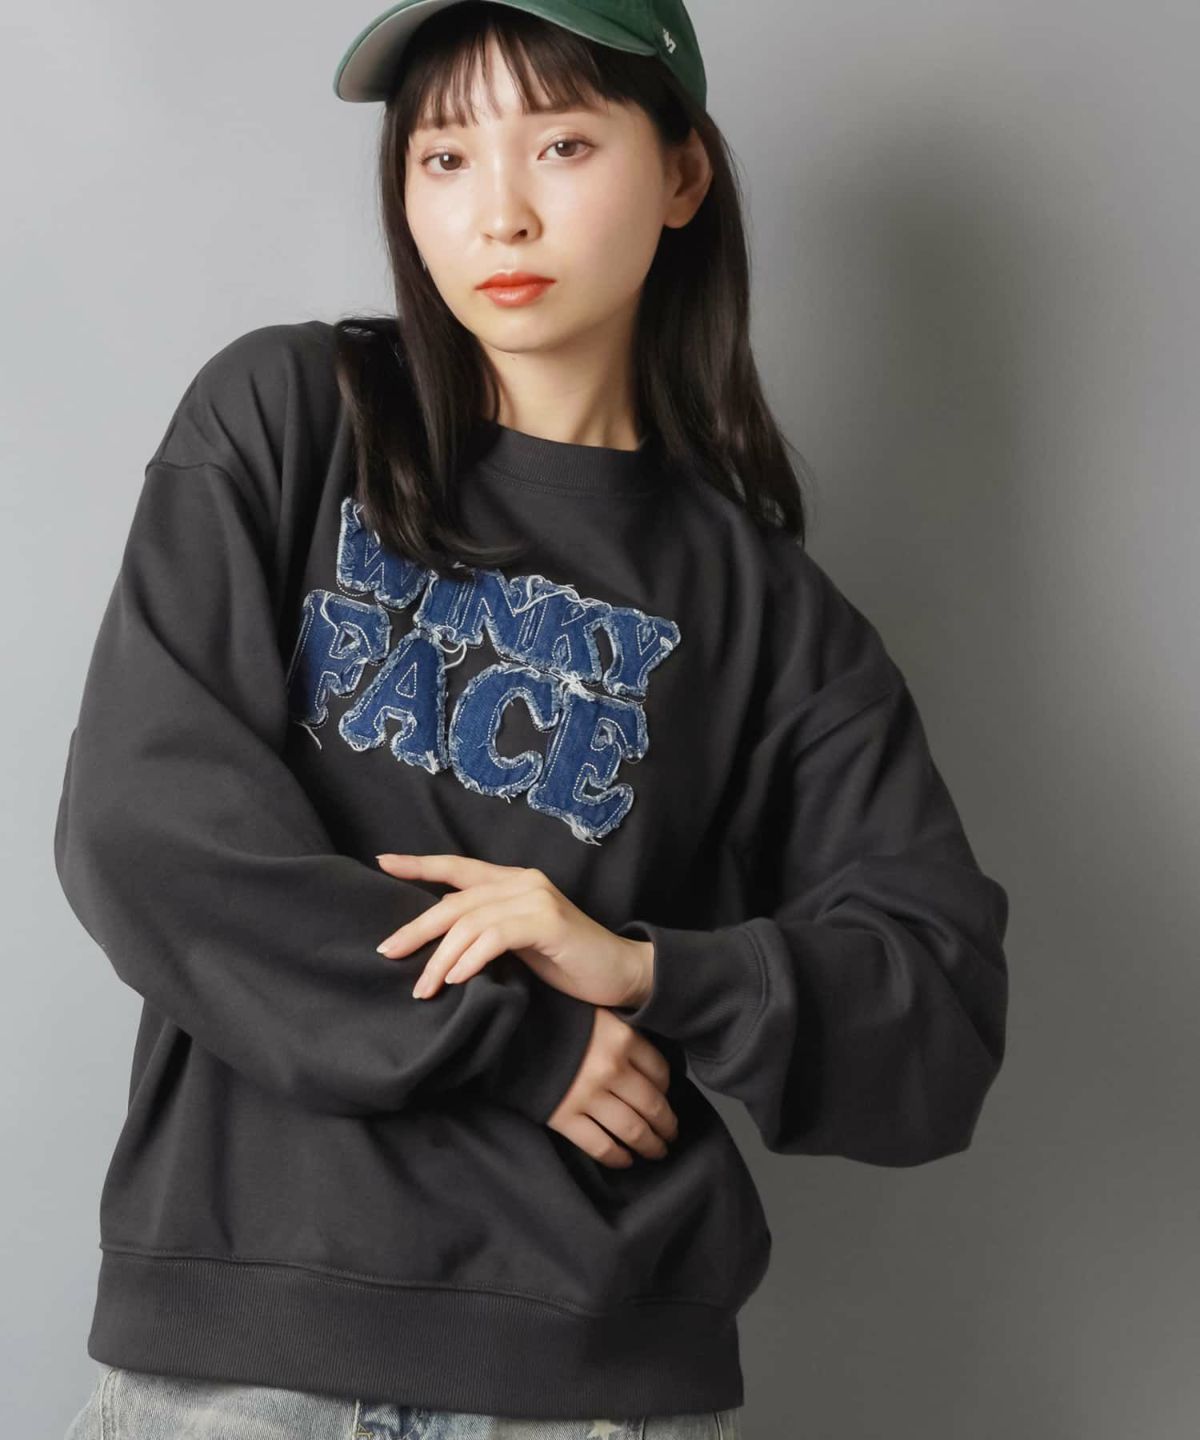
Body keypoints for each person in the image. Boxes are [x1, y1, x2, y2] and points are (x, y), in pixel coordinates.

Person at [56, 2, 1010, 1437]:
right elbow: (146, 830)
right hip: (241, 1363)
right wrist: (523, 1041)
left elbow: (934, 1025)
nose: (498, 211)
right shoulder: (290, 419)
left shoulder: (768, 613)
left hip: (586, 1386)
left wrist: (647, 971)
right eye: (444, 156)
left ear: (681, 174)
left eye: (562, 144)